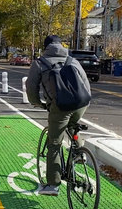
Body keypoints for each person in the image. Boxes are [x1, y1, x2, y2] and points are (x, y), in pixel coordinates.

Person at [26, 35, 91, 196]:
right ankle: (79, 153)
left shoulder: (40, 63)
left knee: (54, 144)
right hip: (82, 103)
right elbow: (86, 84)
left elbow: (31, 88)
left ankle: (52, 185)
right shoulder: (72, 60)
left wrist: (38, 103)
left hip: (60, 106)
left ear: (45, 47)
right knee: (73, 126)